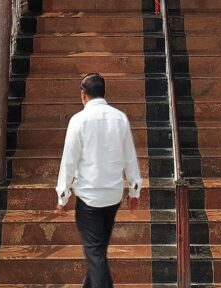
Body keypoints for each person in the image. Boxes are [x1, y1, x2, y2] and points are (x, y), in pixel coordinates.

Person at [56, 72, 141, 288]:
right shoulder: (119, 118)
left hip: (89, 198)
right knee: (98, 251)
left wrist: (63, 195)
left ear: (83, 94)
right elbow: (129, 156)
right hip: (113, 196)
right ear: (104, 92)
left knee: (95, 255)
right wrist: (134, 191)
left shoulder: (78, 120)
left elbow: (69, 161)